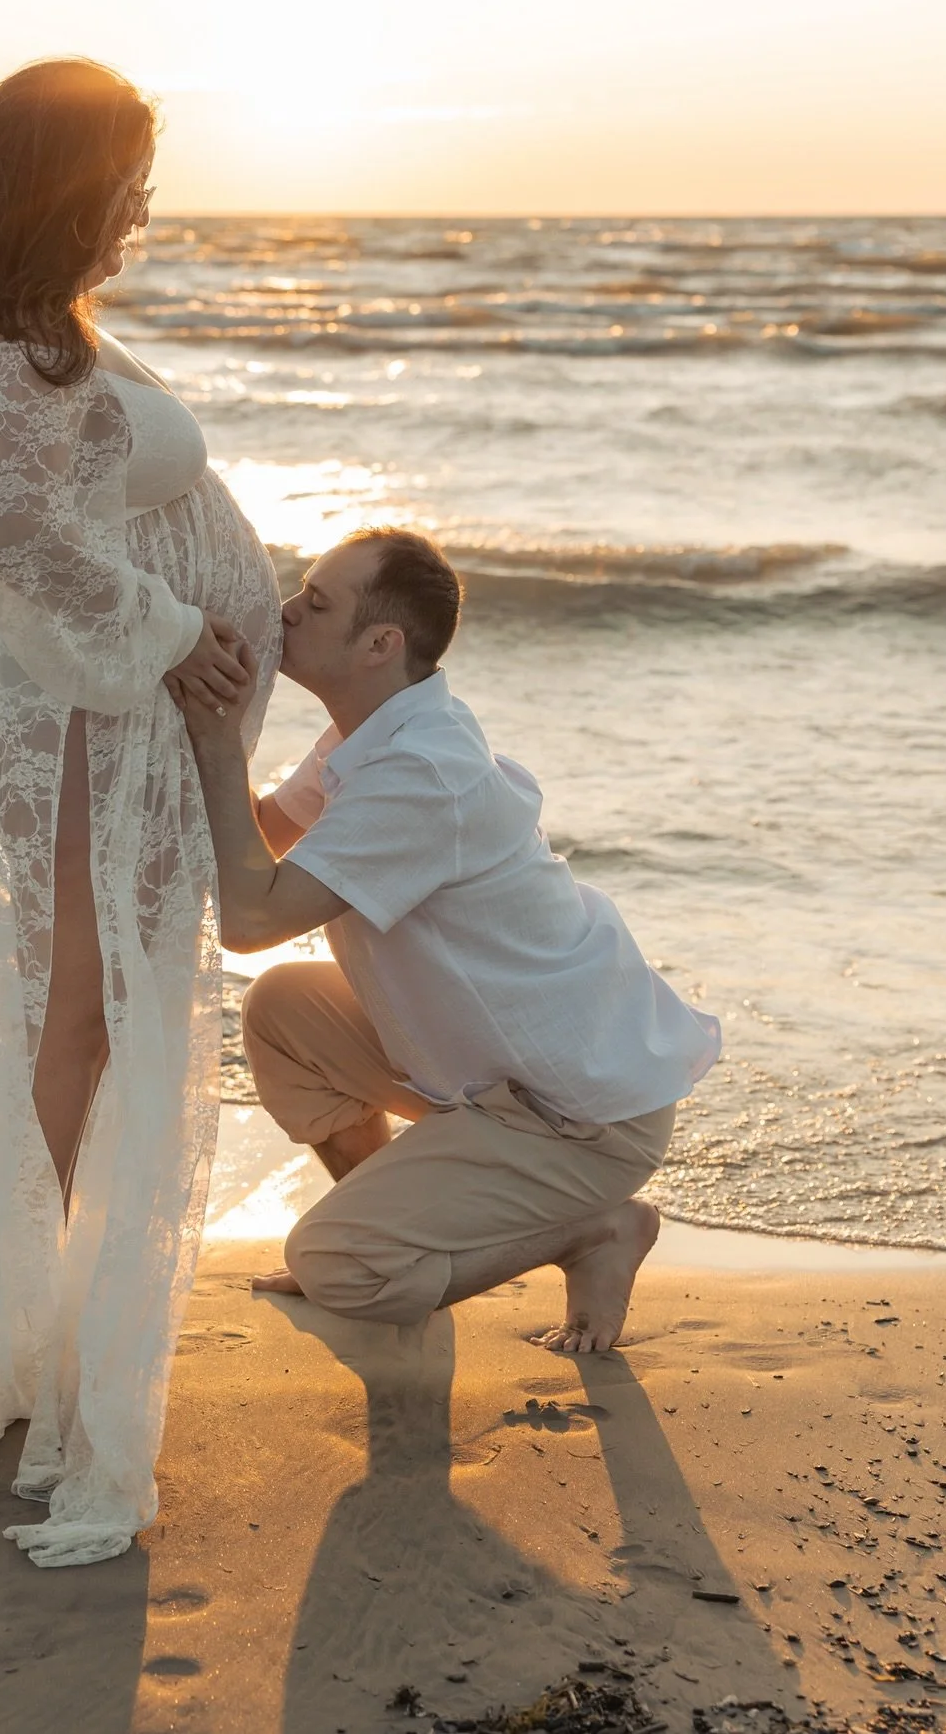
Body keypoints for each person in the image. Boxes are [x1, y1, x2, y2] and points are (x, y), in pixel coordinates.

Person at [0, 58, 281, 1566]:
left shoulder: (51, 335)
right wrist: (180, 635)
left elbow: (79, 508)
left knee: (97, 1007)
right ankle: (48, 1348)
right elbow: (24, 530)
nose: (142, 213)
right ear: (69, 183)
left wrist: (200, 634)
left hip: (104, 718)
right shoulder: (8, 351)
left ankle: (50, 1330)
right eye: (128, 184)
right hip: (67, 717)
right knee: (83, 1010)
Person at [173, 527, 720, 1353]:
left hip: (578, 1118)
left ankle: (590, 1232)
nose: (285, 612)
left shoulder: (421, 773)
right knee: (284, 1009)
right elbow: (259, 839)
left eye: (316, 603)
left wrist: (216, 735)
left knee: (335, 1265)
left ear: (381, 644)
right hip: (495, 1077)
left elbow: (251, 920)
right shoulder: (371, 732)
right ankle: (398, 1232)